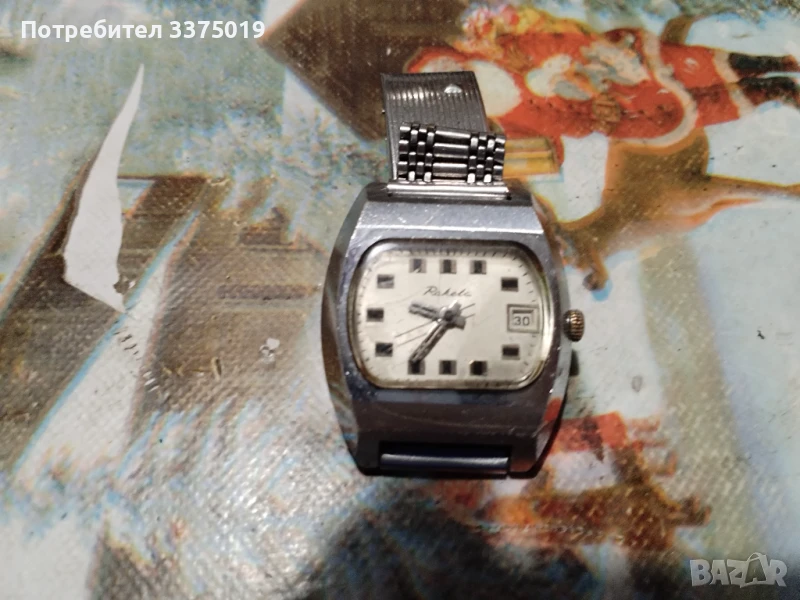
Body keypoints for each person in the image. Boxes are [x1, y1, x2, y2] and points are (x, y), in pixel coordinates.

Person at [407, 4, 800, 163]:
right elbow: (556, 140)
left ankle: (774, 64)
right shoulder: (508, 119)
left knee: (689, 67)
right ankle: (774, 91)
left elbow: (564, 42)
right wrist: (593, 116)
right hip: (612, 111)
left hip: (609, 67)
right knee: (685, 113)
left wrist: (592, 73)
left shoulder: (507, 51)